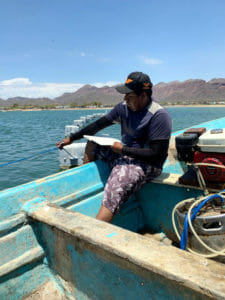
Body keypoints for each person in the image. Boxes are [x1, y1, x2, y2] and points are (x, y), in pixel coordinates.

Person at [56, 71, 172, 223]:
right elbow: (98, 125)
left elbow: (156, 155)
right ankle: (89, 181)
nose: (125, 99)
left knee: (119, 179)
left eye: (129, 96)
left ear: (143, 96)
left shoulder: (159, 115)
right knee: (92, 144)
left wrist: (122, 150)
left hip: (149, 164)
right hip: (125, 153)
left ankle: (97, 227)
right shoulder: (123, 108)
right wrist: (72, 138)